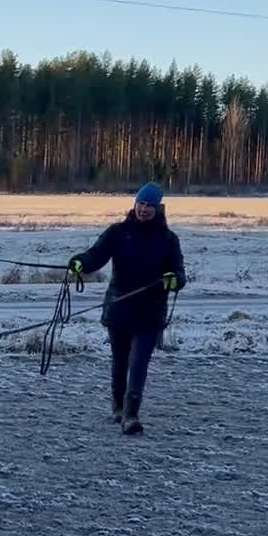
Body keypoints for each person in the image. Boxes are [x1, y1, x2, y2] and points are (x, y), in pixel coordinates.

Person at [68, 182, 185, 435]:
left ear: (157, 209)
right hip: (119, 309)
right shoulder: (117, 233)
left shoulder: (168, 240)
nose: (143, 209)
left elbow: (179, 273)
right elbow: (95, 256)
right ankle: (118, 407)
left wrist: (174, 279)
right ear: (134, 205)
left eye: (149, 206)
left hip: (150, 312)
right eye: (140, 204)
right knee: (119, 362)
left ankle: (131, 414)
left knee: (139, 363)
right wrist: (79, 263)